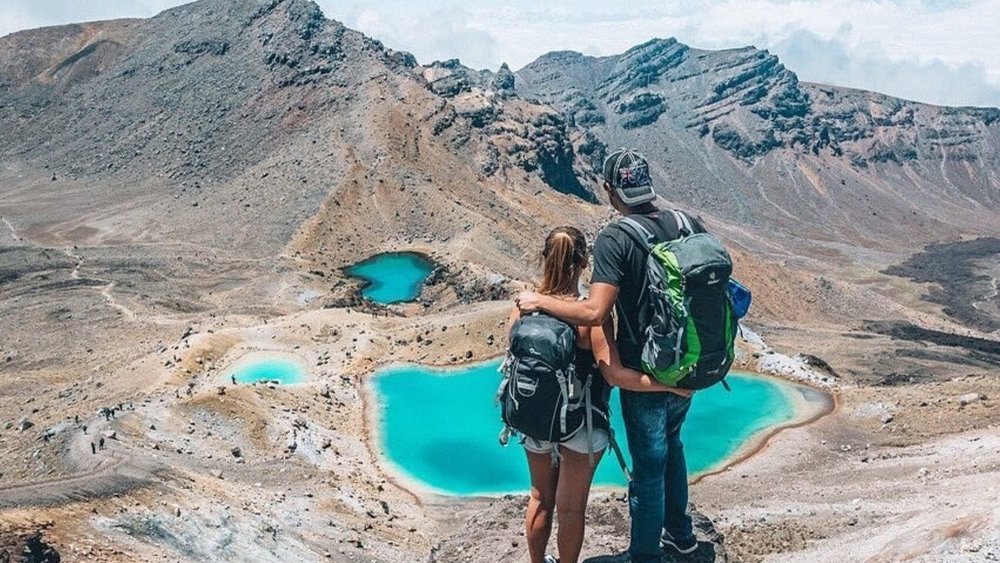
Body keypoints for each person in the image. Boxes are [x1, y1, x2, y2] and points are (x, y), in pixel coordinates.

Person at [517, 148, 707, 562]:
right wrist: (679, 382)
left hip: (640, 375)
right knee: (671, 447)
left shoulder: (617, 237)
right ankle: (681, 535)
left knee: (648, 469)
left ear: (608, 189)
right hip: (685, 366)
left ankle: (645, 557)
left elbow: (595, 309)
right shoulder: (687, 223)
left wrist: (538, 300)